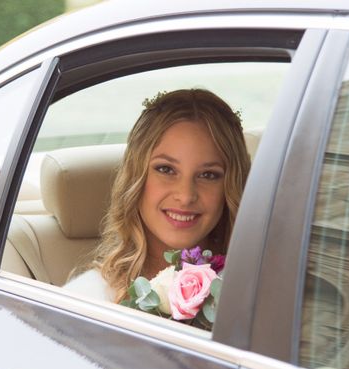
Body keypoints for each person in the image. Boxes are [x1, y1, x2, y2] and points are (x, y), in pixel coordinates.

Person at [65, 88, 250, 303]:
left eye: (208, 175)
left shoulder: (258, 289)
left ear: (230, 187)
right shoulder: (86, 300)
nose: (186, 195)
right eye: (166, 169)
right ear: (136, 177)